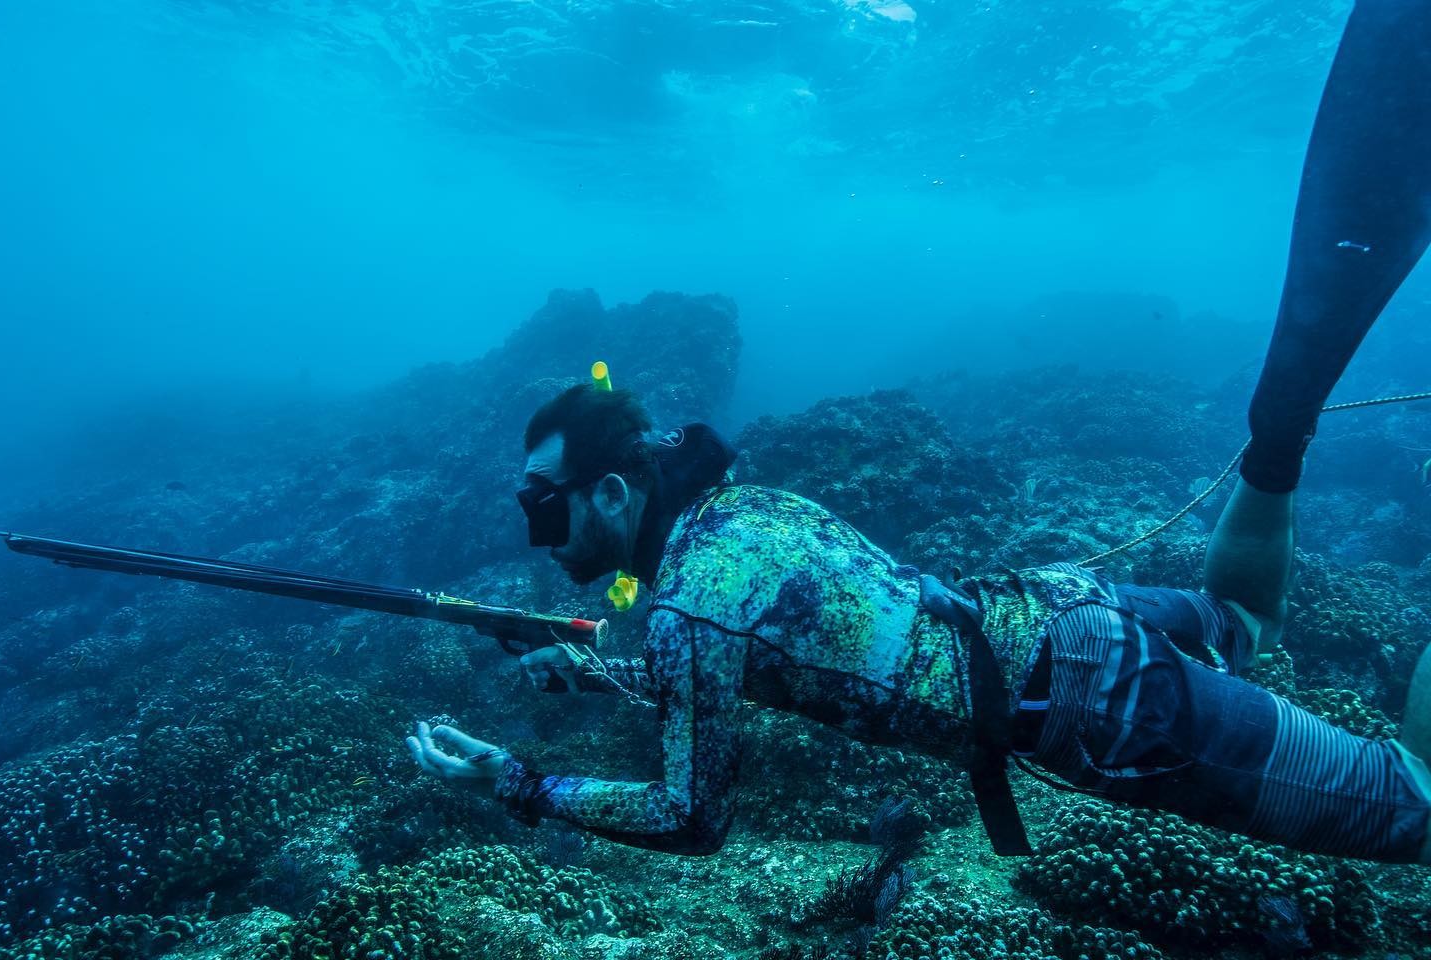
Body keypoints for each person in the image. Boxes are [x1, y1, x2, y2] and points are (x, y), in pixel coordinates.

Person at [407, 0, 1431, 863]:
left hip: (1098, 706)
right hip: (1055, 613)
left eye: (545, 507)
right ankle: (1279, 434)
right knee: (1234, 617)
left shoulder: (687, 612)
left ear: (616, 494)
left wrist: (519, 782)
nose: (540, 535)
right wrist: (590, 669)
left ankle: (1290, 441)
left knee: (1420, 806)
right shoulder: (733, 511)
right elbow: (758, 655)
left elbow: (694, 815)